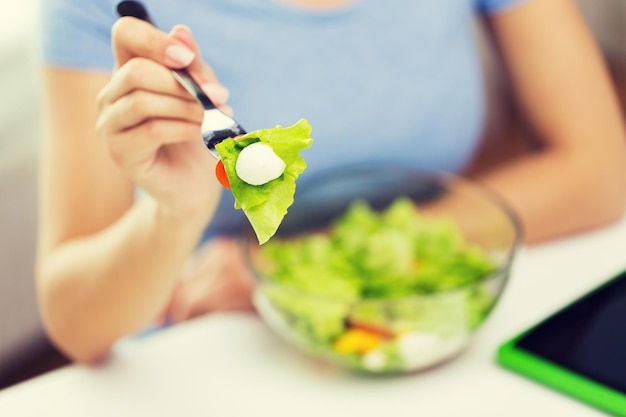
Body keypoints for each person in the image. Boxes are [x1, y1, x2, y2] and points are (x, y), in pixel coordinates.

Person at [37, 0, 626, 364]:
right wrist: (174, 214)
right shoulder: (104, 6)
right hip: (211, 354)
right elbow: (75, 324)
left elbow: (601, 170)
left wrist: (306, 268)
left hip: (417, 329)